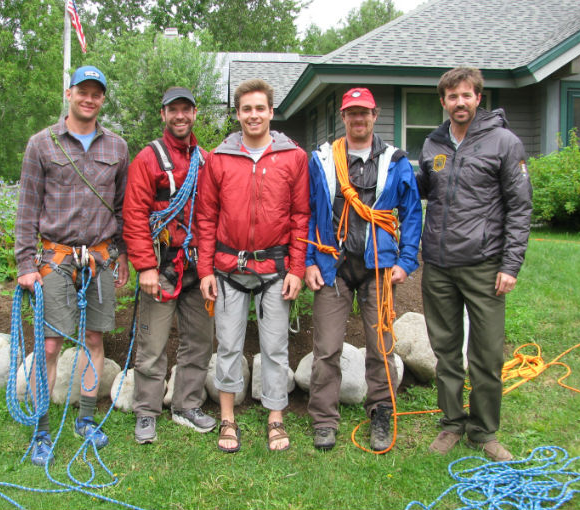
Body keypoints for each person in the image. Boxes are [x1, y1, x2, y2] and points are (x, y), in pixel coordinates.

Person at [14, 65, 129, 466]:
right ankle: (42, 430)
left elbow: (121, 208)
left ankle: (85, 420)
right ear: (69, 93)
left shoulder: (117, 147)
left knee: (95, 341)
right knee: (49, 346)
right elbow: (27, 208)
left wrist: (123, 254)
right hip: (54, 260)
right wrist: (25, 263)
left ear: (101, 99)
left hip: (98, 260)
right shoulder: (41, 144)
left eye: (96, 93)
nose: (89, 98)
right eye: (83, 91)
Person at [417, 66, 532, 462]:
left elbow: (520, 208)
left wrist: (510, 265)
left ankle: (483, 431)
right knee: (446, 350)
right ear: (444, 101)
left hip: (484, 265)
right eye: (452, 97)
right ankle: (451, 422)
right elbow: (421, 192)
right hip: (438, 265)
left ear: (478, 98)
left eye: (466, 95)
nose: (459, 102)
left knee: (485, 353)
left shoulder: (504, 143)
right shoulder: (433, 144)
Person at [304, 88, 422, 452]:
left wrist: (405, 261)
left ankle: (381, 411)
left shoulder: (395, 160)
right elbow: (308, 211)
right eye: (351, 113)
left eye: (364, 113)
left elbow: (413, 213)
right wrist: (309, 260)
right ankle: (324, 419)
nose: (358, 119)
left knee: (381, 347)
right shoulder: (323, 159)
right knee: (326, 348)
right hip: (332, 266)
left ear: (375, 115)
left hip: (379, 266)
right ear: (343, 118)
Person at [197, 79, 310, 452]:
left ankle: (275, 417)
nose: (253, 115)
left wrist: (296, 268)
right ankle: (227, 418)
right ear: (238, 113)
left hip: (275, 270)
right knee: (228, 344)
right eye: (246, 109)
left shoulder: (293, 157)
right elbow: (206, 217)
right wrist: (205, 270)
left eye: (260, 108)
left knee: (275, 348)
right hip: (228, 269)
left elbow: (299, 217)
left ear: (271, 112)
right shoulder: (219, 158)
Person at [123, 87, 215, 444]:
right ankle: (146, 412)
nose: (180, 116)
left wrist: (208, 268)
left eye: (186, 110)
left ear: (194, 114)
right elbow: (133, 215)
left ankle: (186, 405)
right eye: (173, 110)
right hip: (161, 268)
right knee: (152, 344)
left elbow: (211, 215)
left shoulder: (204, 160)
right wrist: (145, 267)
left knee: (200, 342)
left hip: (197, 267)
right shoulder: (148, 159)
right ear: (163, 115)